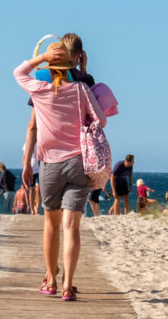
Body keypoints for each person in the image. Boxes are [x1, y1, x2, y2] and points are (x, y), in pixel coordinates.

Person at [15, 34, 106, 302]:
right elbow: (100, 120)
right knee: (72, 227)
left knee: (51, 225)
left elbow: (18, 72)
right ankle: (68, 285)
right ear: (73, 65)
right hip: (79, 162)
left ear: (51, 67)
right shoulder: (81, 90)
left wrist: (41, 57)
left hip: (50, 165)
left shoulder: (39, 90)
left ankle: (51, 281)